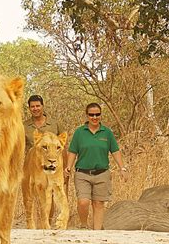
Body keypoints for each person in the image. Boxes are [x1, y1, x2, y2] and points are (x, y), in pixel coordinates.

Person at [64, 102, 128, 230]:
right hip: (82, 173)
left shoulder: (107, 133)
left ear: (101, 115)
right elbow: (73, 151)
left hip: (102, 173)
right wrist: (68, 167)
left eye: (97, 114)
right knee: (83, 202)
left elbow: (115, 151)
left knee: (98, 203)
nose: (94, 117)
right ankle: (83, 225)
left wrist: (122, 168)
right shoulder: (79, 132)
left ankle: (97, 233)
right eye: (91, 115)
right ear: (87, 116)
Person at [23, 95, 69, 195]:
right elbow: (19, 148)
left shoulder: (55, 124)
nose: (35, 109)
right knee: (34, 199)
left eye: (38, 106)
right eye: (32, 106)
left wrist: (65, 168)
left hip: (52, 167)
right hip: (33, 168)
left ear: (43, 106)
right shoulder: (24, 126)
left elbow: (64, 147)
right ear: (29, 108)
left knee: (49, 198)